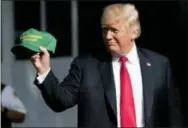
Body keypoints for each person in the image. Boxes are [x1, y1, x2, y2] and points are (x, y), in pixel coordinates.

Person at [30, 3, 183, 128]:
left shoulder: (159, 65)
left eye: (114, 30)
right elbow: (60, 101)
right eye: (105, 30)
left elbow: (174, 116)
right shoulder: (86, 65)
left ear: (134, 32)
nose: (108, 36)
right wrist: (44, 71)